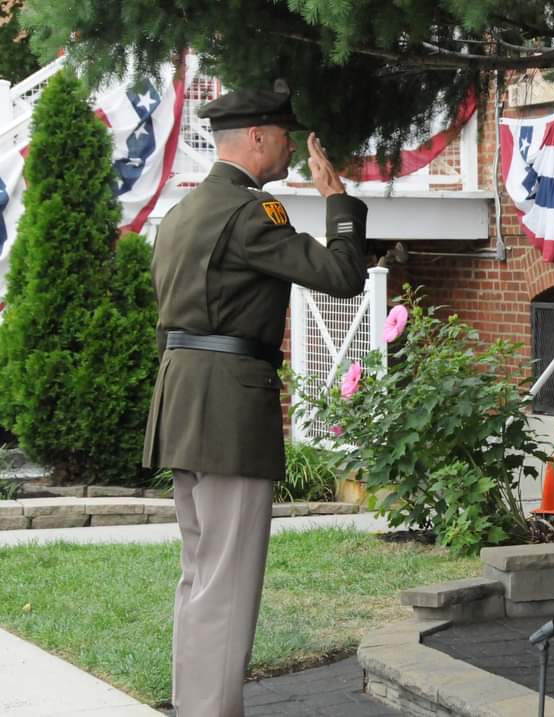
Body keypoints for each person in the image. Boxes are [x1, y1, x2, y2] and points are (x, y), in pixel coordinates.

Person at [142, 86, 368, 716]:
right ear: (259, 138)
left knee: (201, 575)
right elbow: (342, 276)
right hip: (229, 410)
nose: (294, 145)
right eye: (285, 134)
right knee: (227, 582)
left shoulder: (181, 213)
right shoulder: (250, 212)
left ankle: (199, 707)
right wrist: (338, 201)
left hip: (182, 403)